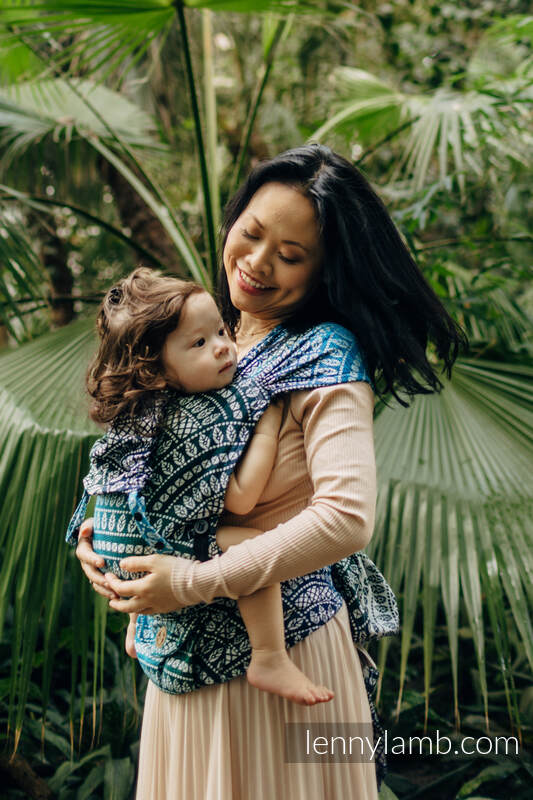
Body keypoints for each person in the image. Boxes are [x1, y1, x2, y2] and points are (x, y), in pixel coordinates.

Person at [75, 144, 466, 799]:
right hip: (181, 656)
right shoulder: (215, 340)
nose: (256, 263)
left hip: (282, 654)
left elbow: (345, 519)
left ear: (324, 270)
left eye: (290, 256)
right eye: (251, 234)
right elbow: (147, 466)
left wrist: (196, 580)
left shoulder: (322, 355)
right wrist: (104, 550)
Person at [70, 267, 335, 705]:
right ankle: (268, 656)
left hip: (117, 550)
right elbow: (241, 496)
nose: (222, 348)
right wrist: (268, 425)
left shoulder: (140, 415)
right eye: (199, 343)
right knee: (254, 547)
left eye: (219, 331)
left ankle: (138, 630)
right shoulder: (195, 416)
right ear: (157, 370)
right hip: (145, 556)